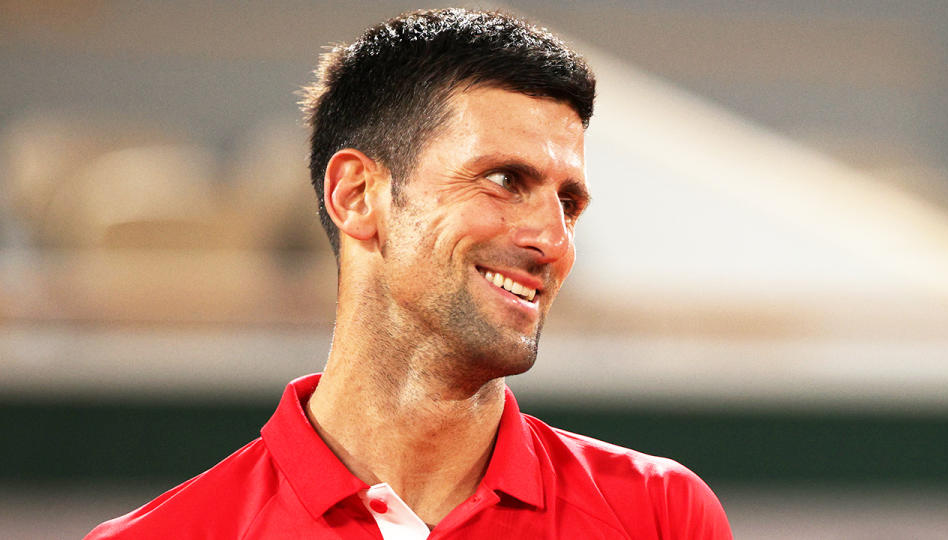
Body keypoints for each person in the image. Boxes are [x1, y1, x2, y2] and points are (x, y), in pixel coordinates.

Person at [87, 8, 732, 539]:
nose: (553, 241)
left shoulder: (660, 515)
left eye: (568, 203)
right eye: (505, 181)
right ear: (358, 196)